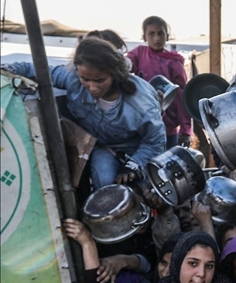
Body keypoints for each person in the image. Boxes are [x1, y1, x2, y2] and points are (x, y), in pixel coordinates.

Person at [4, 37, 165, 189]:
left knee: (141, 192)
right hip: (102, 147)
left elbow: (154, 142)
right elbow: (38, 69)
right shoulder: (72, 79)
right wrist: (9, 70)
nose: (92, 87)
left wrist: (134, 165)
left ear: (115, 73)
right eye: (85, 79)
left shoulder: (142, 103)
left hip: (136, 150)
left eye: (100, 80)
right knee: (105, 182)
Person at [127, 16, 191, 148]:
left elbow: (182, 97)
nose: (156, 38)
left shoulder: (174, 62)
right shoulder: (139, 53)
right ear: (144, 37)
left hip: (168, 125)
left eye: (160, 33)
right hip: (143, 121)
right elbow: (127, 64)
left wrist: (186, 130)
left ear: (167, 36)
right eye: (151, 34)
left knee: (168, 163)